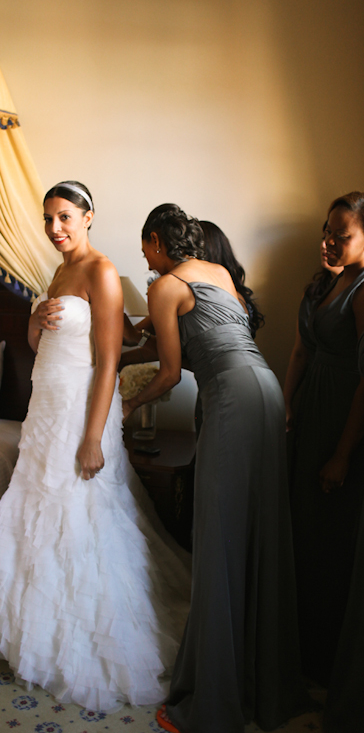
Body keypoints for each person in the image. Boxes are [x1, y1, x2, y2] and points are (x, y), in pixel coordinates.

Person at [0, 182, 191, 713]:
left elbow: (109, 360)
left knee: (81, 512)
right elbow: (43, 343)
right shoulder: (60, 272)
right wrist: (32, 322)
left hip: (80, 411)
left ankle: (87, 633)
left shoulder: (102, 271)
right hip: (45, 408)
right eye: (48, 219)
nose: (54, 229)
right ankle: (26, 631)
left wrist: (94, 436)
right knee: (40, 509)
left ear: (89, 216)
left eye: (64, 217)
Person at [121, 203, 308, 733]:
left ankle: (212, 701)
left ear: (156, 240)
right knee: (260, 532)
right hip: (266, 389)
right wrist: (135, 341)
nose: (148, 266)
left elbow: (172, 372)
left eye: (146, 254)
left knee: (218, 539)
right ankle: (262, 684)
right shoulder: (219, 272)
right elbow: (202, 337)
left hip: (229, 397)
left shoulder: (164, 286)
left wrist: (130, 405)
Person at [289, 191, 364, 688]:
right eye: (328, 232)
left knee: (329, 542)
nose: (331, 241)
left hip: (342, 419)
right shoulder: (323, 284)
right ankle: (300, 653)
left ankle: (325, 662)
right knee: (302, 532)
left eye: (343, 235)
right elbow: (299, 351)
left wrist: (341, 455)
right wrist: (285, 406)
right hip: (309, 414)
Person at [283, 228, 343, 433]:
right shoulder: (313, 293)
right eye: (325, 235)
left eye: (338, 237)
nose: (326, 243)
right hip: (311, 389)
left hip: (344, 391)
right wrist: (286, 401)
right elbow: (300, 352)